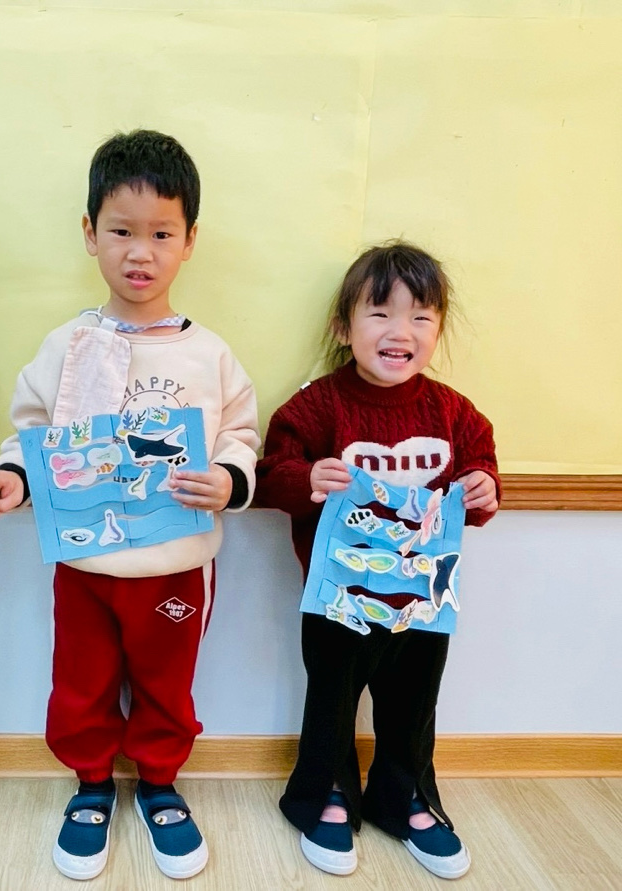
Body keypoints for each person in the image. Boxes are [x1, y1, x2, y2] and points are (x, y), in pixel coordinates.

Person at [0, 130, 259, 881]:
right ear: (90, 233)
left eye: (162, 234)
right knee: (81, 679)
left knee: (167, 683)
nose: (140, 252)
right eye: (122, 231)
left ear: (190, 241)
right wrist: (13, 476)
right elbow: (32, 430)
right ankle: (91, 783)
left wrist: (229, 478)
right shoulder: (67, 344)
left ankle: (159, 783)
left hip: (177, 562)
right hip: (85, 560)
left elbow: (242, 433)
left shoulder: (210, 354)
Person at [256, 241, 499, 881]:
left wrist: (483, 491)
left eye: (421, 316)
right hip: (339, 597)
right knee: (332, 701)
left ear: (438, 330)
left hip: (423, 599)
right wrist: (307, 477)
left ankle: (405, 794)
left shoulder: (454, 412)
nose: (400, 331)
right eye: (380, 313)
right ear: (344, 327)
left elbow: (479, 480)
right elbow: (272, 474)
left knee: (414, 704)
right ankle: (326, 792)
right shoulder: (316, 406)